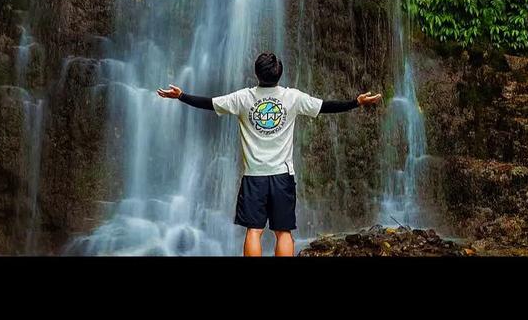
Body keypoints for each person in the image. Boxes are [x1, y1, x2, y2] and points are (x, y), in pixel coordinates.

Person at [157, 50, 382, 257]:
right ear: (279, 75)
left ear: (256, 73)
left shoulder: (242, 98)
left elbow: (209, 103)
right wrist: (356, 102)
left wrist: (181, 96)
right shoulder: (292, 97)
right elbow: (325, 107)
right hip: (282, 176)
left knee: (254, 231)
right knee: (283, 232)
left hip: (254, 176)